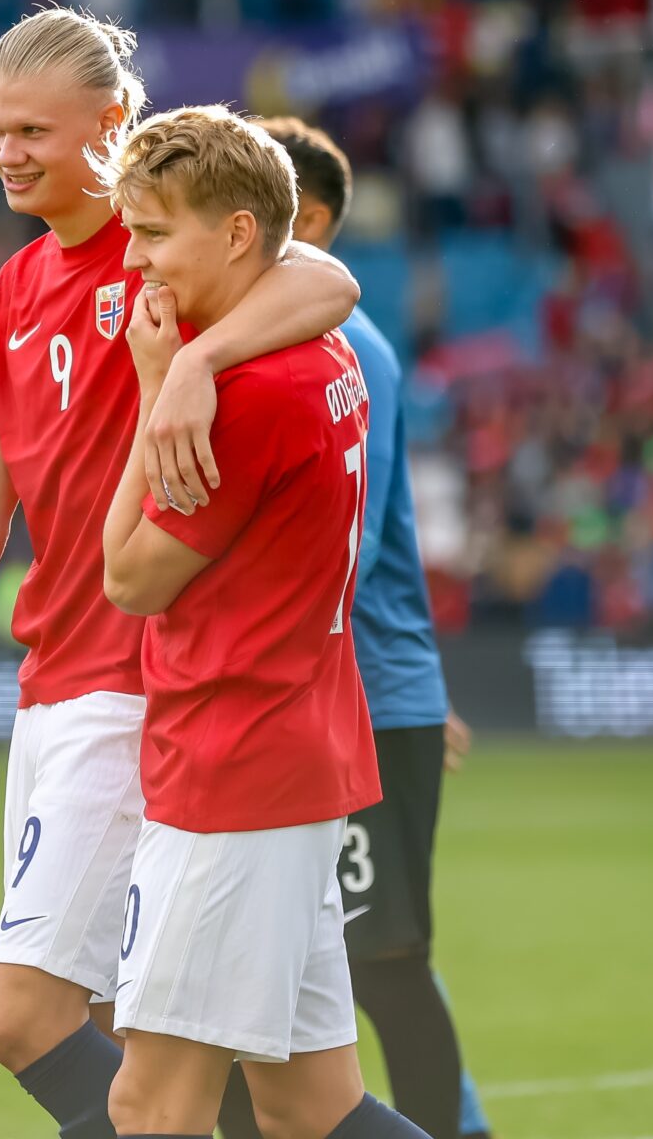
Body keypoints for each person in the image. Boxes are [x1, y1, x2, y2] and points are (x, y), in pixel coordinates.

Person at [0, 8, 360, 1139]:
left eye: (32, 128)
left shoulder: (163, 250)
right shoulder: (19, 286)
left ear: (114, 121)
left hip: (144, 685)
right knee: (247, 1085)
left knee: (29, 1018)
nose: (7, 151)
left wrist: (194, 363)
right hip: (59, 678)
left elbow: (326, 284)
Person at [97, 104, 426, 1139]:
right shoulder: (317, 350)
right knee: (311, 1107)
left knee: (150, 1104)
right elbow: (324, 277)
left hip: (231, 772)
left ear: (238, 234)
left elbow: (129, 577)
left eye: (154, 235)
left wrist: (161, 384)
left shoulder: (245, 391)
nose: (136, 261)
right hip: (296, 753)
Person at [209, 118, 495, 1139]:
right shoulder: (255, 341)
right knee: (259, 973)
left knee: (381, 962)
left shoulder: (352, 347)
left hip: (356, 696)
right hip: (315, 699)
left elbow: (349, 542)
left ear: (309, 219)